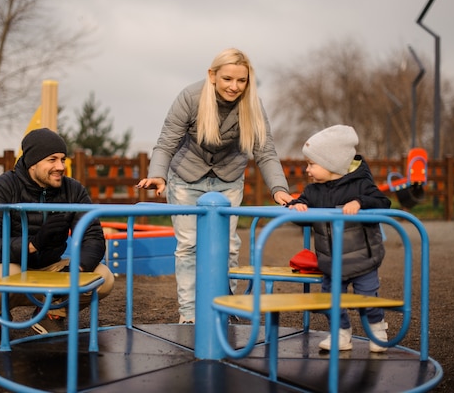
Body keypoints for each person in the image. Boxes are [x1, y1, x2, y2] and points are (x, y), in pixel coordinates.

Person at [136, 48, 293, 324]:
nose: (234, 86)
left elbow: (265, 152)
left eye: (241, 81)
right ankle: (189, 313)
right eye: (228, 79)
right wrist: (158, 175)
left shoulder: (252, 105)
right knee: (189, 245)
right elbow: (166, 142)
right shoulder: (191, 97)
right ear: (212, 75)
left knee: (229, 245)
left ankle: (225, 306)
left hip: (228, 177)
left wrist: (279, 189)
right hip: (187, 175)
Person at [0, 128, 115, 356]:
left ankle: (52, 316)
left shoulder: (73, 190)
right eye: (52, 160)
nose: (60, 166)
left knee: (103, 278)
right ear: (32, 162)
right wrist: (33, 243)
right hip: (6, 270)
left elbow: (93, 238)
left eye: (62, 159)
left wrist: (76, 268)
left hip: (50, 269)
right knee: (5, 272)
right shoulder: (2, 188)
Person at [286, 124, 391, 352]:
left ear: (332, 163)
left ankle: (377, 330)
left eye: (312, 164)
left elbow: (383, 202)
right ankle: (340, 334)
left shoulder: (361, 185)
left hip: (362, 259)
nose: (307, 170)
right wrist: (298, 207)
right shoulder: (313, 192)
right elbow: (301, 211)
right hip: (331, 262)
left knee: (367, 299)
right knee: (332, 302)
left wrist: (360, 203)